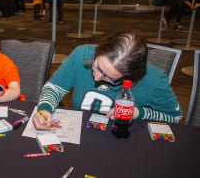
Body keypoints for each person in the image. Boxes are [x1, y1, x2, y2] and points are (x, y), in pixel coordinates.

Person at [32, 32, 182, 130]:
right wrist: (45, 108)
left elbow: (174, 117)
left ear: (130, 77)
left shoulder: (154, 80)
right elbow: (54, 88)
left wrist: (138, 112)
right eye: (96, 66)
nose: (97, 78)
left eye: (109, 78)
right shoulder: (81, 54)